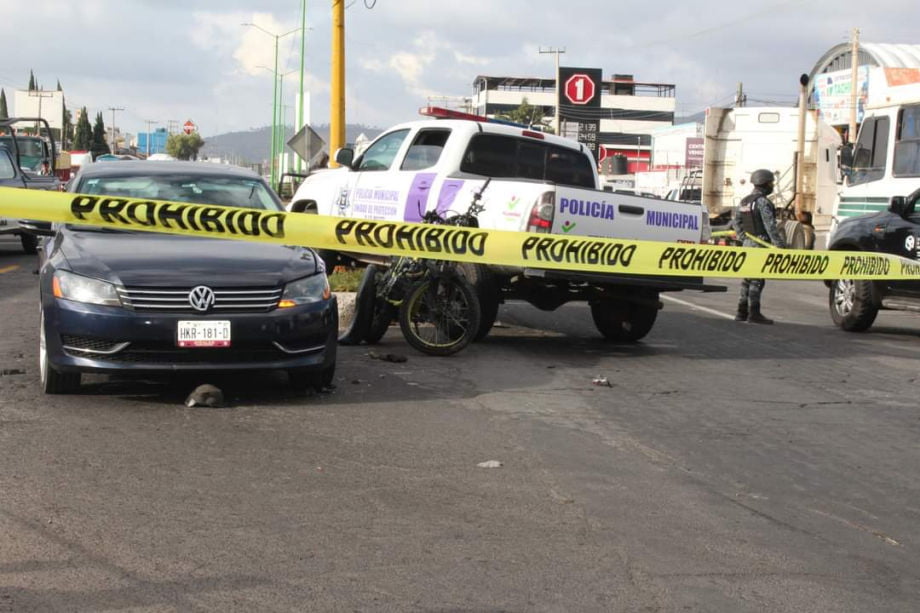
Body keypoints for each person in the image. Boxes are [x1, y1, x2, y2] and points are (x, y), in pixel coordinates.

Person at [732, 168, 786, 324]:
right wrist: (780, 246)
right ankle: (754, 313)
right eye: (771, 183)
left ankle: (741, 312)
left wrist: (743, 238)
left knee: (747, 279)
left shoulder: (744, 201)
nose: (772, 186)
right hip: (760, 244)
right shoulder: (762, 202)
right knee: (757, 280)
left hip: (747, 244)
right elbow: (770, 226)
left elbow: (736, 223)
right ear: (765, 183)